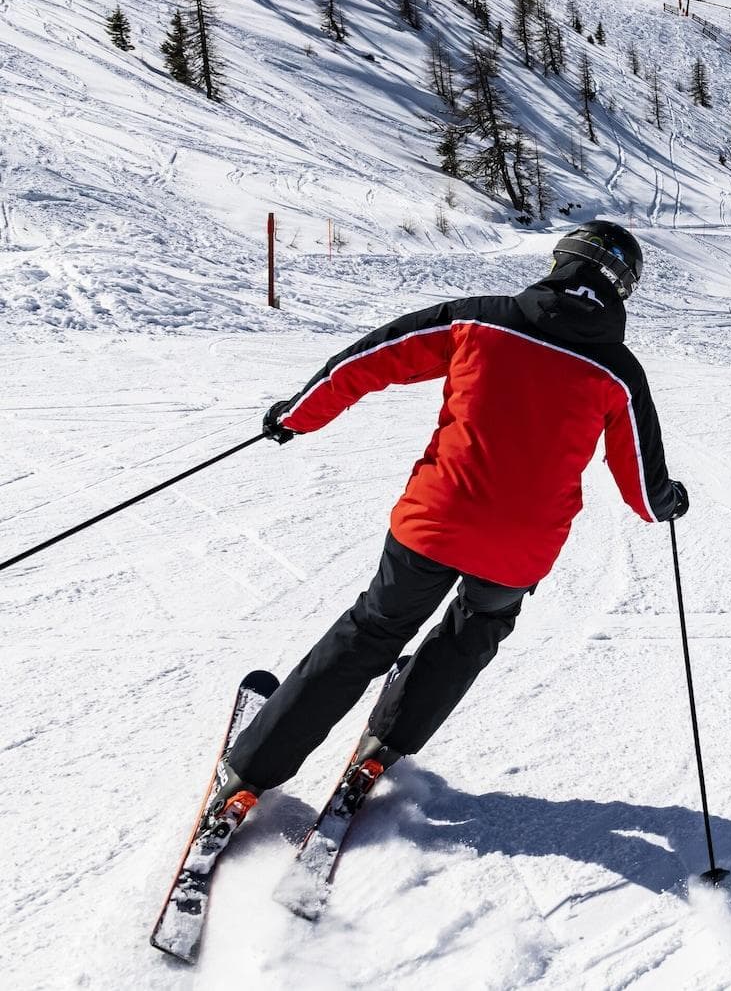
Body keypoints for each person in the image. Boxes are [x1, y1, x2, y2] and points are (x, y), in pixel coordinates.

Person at [206, 220, 687, 829]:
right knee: (474, 631)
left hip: (437, 518)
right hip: (521, 547)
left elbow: (369, 359)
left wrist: (297, 417)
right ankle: (388, 744)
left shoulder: (479, 319)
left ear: (562, 260)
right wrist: (669, 501)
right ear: (622, 288)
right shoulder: (618, 371)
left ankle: (250, 771)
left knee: (373, 631)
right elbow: (644, 490)